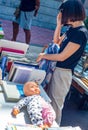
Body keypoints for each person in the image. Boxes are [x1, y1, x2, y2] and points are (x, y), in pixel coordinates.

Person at [36, 0, 88, 126]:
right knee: (48, 101)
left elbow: (62, 56)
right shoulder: (72, 29)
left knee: (55, 106)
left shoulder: (80, 33)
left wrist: (44, 55)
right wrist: (59, 24)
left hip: (62, 73)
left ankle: (54, 126)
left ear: (70, 13)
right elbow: (56, 42)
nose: (60, 15)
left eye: (62, 13)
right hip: (57, 70)